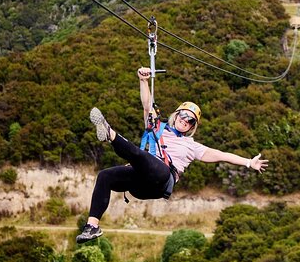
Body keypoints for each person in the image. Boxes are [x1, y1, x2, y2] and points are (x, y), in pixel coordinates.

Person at [76, 67, 269, 243]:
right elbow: (147, 105)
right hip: (140, 184)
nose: (186, 121)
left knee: (141, 157)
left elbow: (221, 155)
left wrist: (248, 163)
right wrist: (143, 80)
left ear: (192, 127)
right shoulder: (157, 128)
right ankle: (92, 226)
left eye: (190, 121)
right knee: (105, 176)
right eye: (184, 116)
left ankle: (109, 133)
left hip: (162, 178)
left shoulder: (191, 146)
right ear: (176, 115)